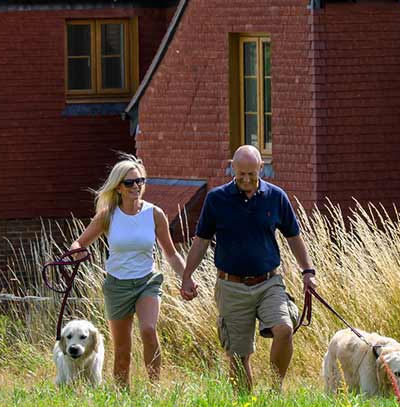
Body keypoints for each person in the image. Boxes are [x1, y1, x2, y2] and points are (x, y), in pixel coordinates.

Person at [180, 144, 316, 393]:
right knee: (238, 355)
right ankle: (245, 406)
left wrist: (308, 271)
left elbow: (294, 237)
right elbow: (201, 240)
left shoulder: (276, 197)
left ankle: (275, 391)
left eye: (251, 174)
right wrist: (187, 276)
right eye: (241, 173)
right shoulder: (216, 199)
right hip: (231, 285)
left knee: (284, 329)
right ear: (233, 167)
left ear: (261, 169)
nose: (246, 179)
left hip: (269, 282)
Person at [65, 156, 196, 387]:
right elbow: (80, 243)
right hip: (117, 286)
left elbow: (171, 253)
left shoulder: (154, 214)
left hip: (147, 282)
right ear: (118, 187)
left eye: (140, 181)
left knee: (148, 329)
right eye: (130, 182)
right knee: (122, 348)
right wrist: (74, 251)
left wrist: (186, 279)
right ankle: (122, 394)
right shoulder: (108, 215)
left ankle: (154, 389)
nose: (136, 186)